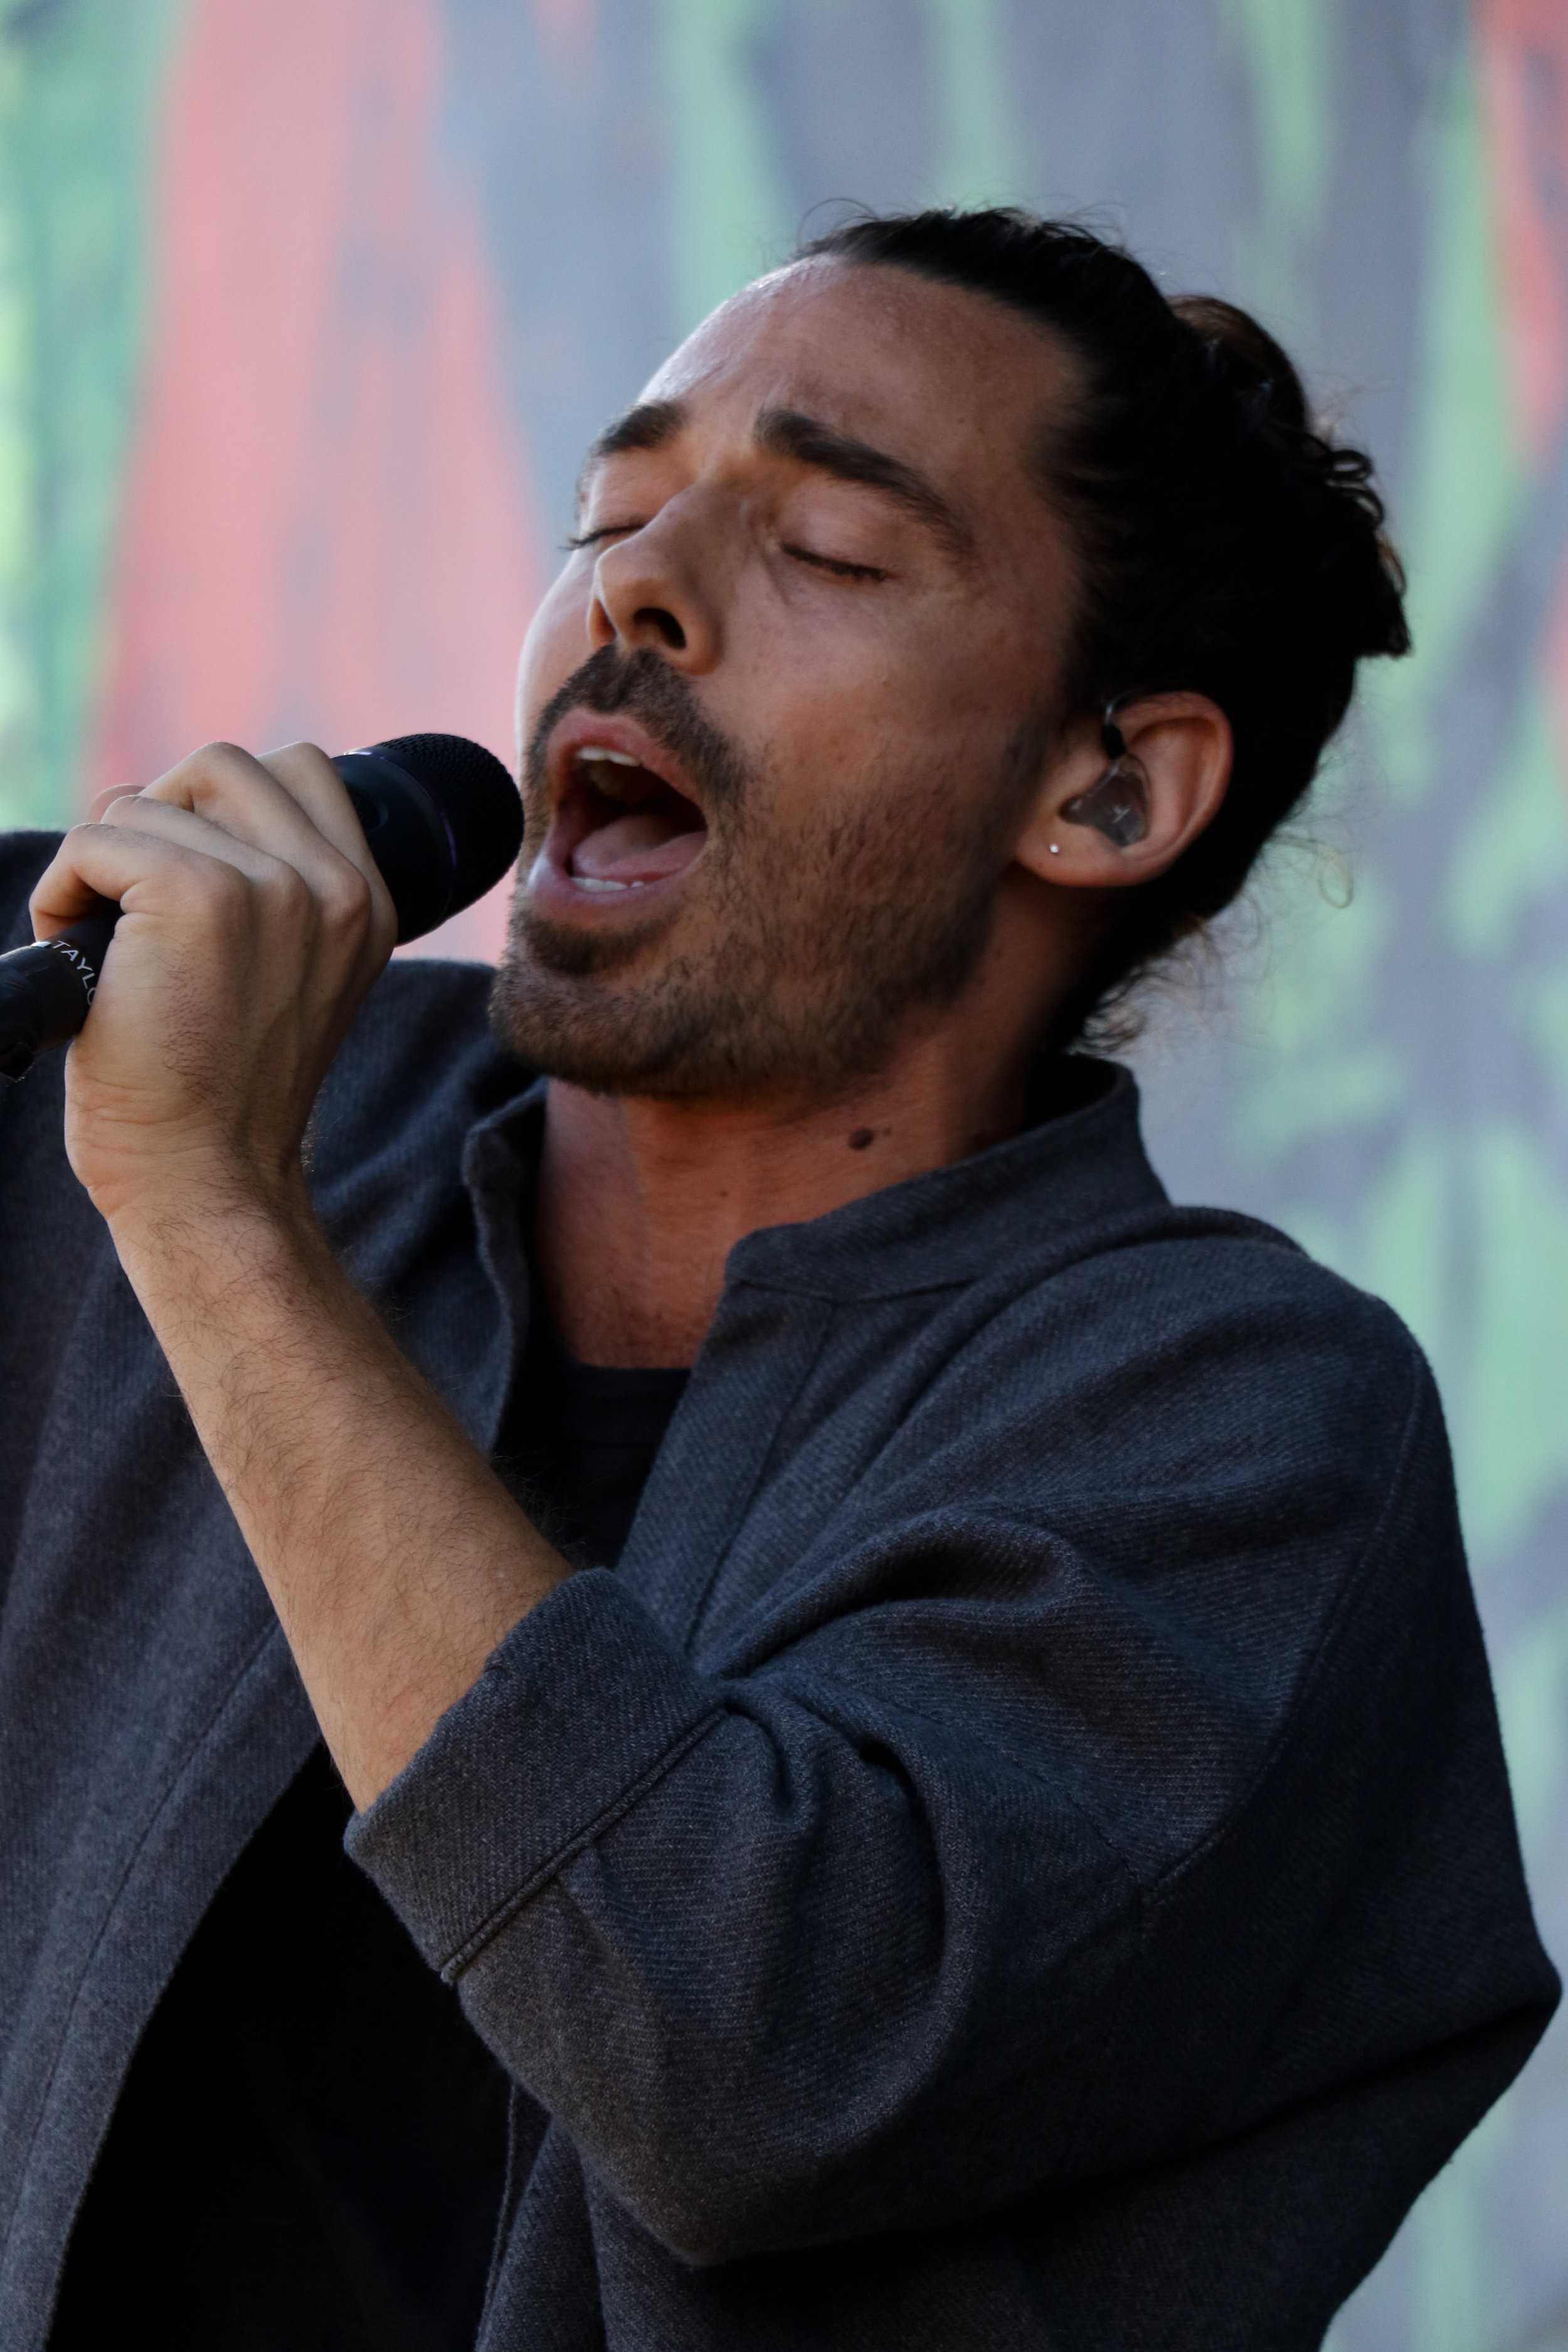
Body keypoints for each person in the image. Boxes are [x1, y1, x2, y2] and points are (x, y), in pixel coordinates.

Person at [2, 208, 1557, 2352]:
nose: (634, 585)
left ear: (1107, 787)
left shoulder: (1239, 1424)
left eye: (826, 546)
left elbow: (729, 2044)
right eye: (611, 510)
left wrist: (211, 1213)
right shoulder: (139, 1074)